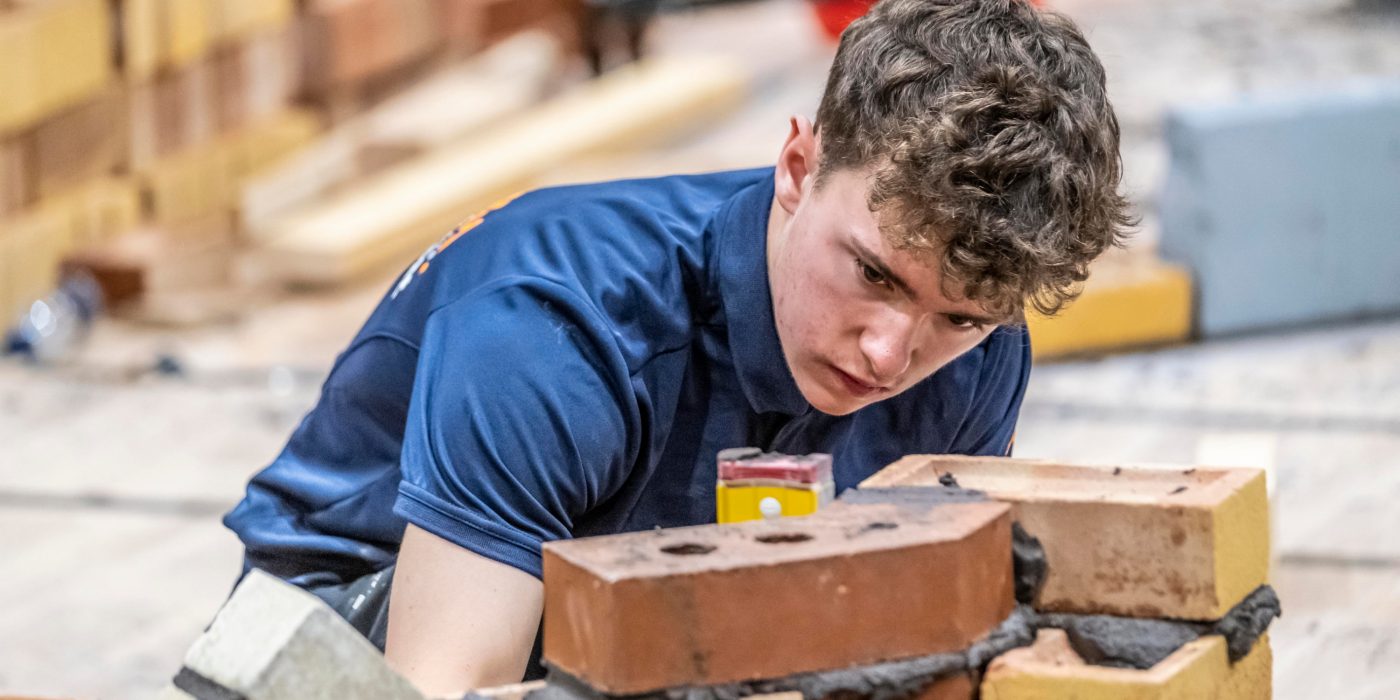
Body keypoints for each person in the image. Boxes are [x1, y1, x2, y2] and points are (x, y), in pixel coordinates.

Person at [222, 0, 1132, 693]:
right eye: (874, 276)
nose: (891, 354)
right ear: (798, 169)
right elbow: (446, 685)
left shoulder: (979, 346)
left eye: (957, 318)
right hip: (349, 627)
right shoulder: (556, 330)